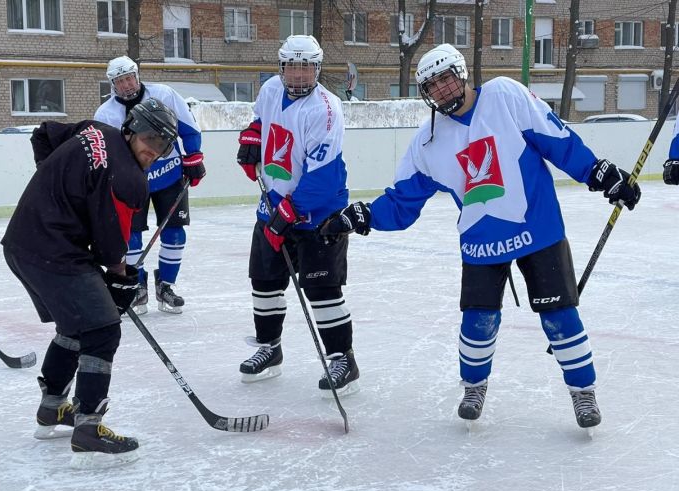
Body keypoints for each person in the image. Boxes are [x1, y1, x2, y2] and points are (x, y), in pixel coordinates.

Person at [319, 44, 641, 429]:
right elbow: (403, 203)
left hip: (537, 228)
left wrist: (599, 173)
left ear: (462, 74)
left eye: (446, 78)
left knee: (560, 316)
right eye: (432, 85)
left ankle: (583, 393)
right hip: (480, 237)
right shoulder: (428, 143)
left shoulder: (505, 96)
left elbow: (557, 140)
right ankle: (474, 386)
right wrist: (363, 216)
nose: (442, 89)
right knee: (477, 320)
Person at [1, 98, 179, 467]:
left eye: (162, 145)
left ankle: (52, 409)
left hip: (22, 242)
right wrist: (122, 280)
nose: (152, 150)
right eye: (149, 139)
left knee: (76, 325)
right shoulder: (130, 179)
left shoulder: (94, 130)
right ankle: (88, 428)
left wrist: (57, 191)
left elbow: (43, 135)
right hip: (53, 251)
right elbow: (111, 247)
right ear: (131, 129)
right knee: (102, 329)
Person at [235, 35, 359, 397]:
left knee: (321, 288)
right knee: (264, 281)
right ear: (281, 67)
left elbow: (324, 176)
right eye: (292, 66)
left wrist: (288, 214)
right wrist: (252, 140)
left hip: (318, 210)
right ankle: (270, 348)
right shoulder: (272, 89)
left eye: (306, 67)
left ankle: (342, 358)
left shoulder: (326, 109)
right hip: (274, 200)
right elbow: (260, 120)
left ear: (317, 69)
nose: (299, 75)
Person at [94, 55, 206, 315]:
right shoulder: (106, 113)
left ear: (137, 75)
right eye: (120, 81)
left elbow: (189, 126)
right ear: (113, 85)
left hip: (169, 175)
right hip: (133, 182)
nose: (127, 85)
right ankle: (138, 286)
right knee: (130, 238)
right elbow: (105, 151)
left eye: (129, 78)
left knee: (175, 233)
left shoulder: (164, 94)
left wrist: (193, 156)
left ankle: (166, 285)